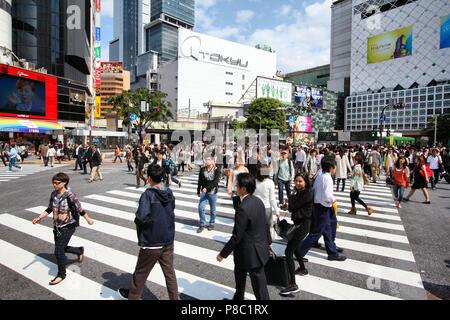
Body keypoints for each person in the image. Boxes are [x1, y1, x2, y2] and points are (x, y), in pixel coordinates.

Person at [117, 165, 178, 300]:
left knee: (141, 272)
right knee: (169, 273)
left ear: (149, 178)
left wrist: (143, 226)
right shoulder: (169, 192)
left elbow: (141, 217)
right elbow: (171, 210)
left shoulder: (148, 195)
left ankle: (132, 296)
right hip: (168, 239)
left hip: (152, 240)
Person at [31, 173, 94, 285]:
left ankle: (61, 274)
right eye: (53, 182)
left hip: (69, 225)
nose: (54, 185)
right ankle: (79, 250)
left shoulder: (70, 196)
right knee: (62, 247)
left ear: (64, 183)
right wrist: (39, 217)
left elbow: (80, 209)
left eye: (57, 183)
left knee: (58, 251)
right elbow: (50, 208)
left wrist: (88, 219)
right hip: (57, 225)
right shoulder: (54, 194)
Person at [217, 173, 271, 300]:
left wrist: (222, 254)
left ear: (244, 189)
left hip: (247, 252)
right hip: (258, 249)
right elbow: (265, 224)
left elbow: (237, 236)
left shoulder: (243, 208)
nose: (236, 187)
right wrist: (269, 242)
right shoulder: (258, 201)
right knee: (258, 284)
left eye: (237, 185)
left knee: (251, 283)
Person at [294, 160, 347, 262]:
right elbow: (327, 196)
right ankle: (298, 252)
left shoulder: (320, 175)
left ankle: (332, 252)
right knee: (316, 232)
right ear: (332, 167)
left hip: (319, 206)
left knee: (327, 230)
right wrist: (333, 199)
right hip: (323, 207)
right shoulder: (327, 178)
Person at [279, 173, 313, 296]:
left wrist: (290, 199)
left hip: (303, 225)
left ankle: (293, 284)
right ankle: (303, 269)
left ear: (305, 182)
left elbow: (292, 207)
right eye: (296, 181)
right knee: (296, 247)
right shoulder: (300, 193)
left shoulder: (307, 193)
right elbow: (292, 206)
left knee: (288, 252)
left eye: (300, 181)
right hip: (300, 224)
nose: (298, 183)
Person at [197, 157, 221, 233]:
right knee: (201, 208)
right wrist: (198, 190)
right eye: (206, 159)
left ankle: (211, 223)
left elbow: (215, 182)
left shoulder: (217, 170)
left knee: (212, 210)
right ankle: (202, 223)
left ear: (213, 161)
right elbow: (200, 180)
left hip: (212, 192)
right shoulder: (202, 169)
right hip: (204, 192)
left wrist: (207, 188)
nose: (207, 161)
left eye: (209, 159)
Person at [254, 162, 279, 238]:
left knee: (256, 225)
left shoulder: (255, 181)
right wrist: (276, 210)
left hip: (256, 207)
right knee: (268, 226)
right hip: (266, 207)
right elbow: (272, 199)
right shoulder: (270, 182)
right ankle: (268, 241)